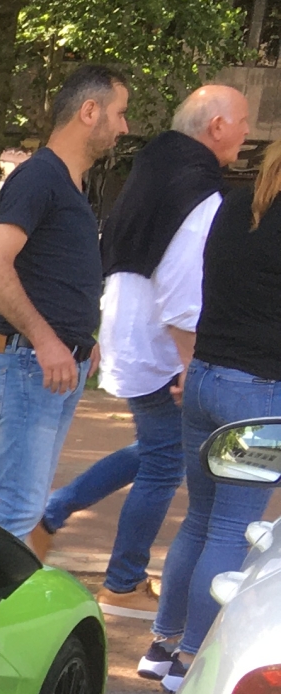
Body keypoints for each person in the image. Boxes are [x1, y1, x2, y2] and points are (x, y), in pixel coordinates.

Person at [30, 85, 247, 615]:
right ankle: (122, 582)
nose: (247, 131)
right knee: (163, 465)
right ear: (216, 126)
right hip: (161, 344)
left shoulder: (157, 170)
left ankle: (49, 517)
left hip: (131, 328)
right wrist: (192, 364)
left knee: (154, 450)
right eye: (243, 120)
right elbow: (182, 287)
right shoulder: (200, 191)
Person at [139, 135, 281, 694]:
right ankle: (193, 660)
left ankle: (163, 642)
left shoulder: (234, 205)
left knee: (199, 519)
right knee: (230, 527)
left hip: (206, 377)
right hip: (259, 393)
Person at [0, 64, 130, 540]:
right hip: (32, 364)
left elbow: (52, 273)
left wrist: (82, 340)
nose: (124, 126)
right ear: (90, 111)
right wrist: (46, 341)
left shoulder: (68, 183)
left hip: (56, 363)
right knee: (19, 510)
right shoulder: (39, 177)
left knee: (26, 506)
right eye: (120, 113)